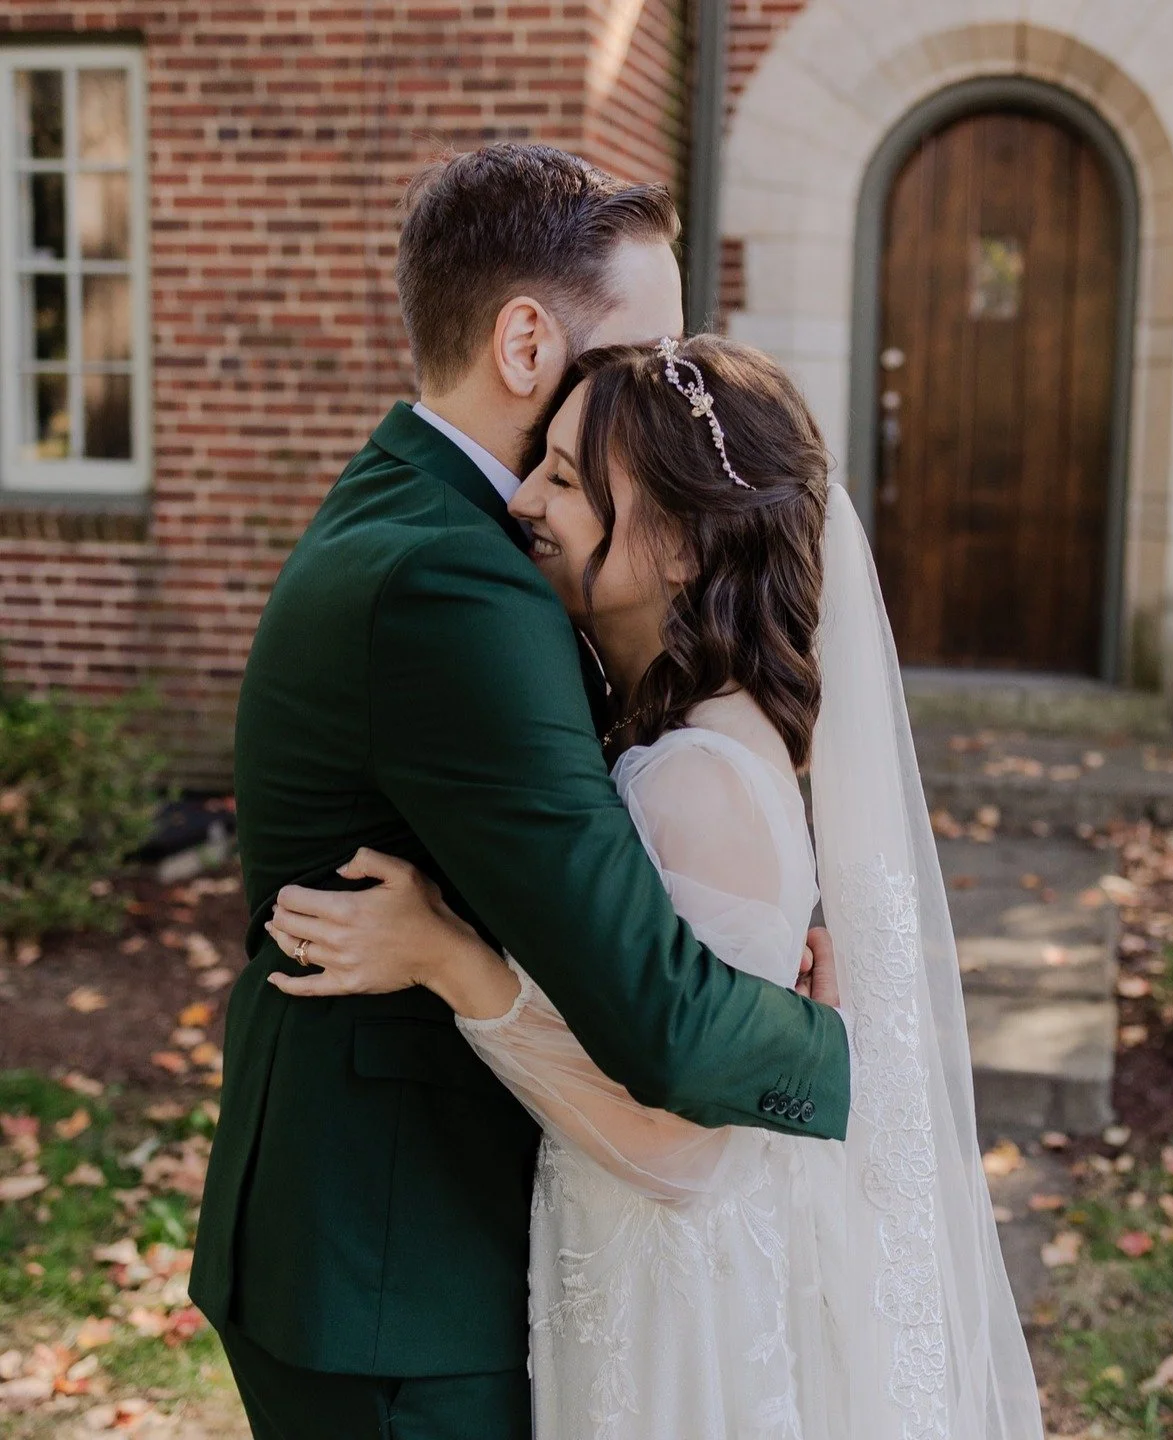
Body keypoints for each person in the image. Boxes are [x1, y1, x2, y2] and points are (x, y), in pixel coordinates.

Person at [268, 335, 1045, 1439]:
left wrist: (445, 956)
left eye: (571, 481)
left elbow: (686, 1150)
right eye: (542, 461)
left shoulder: (696, 778)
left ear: (682, 547)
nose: (524, 499)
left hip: (679, 1312)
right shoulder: (670, 730)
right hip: (629, 1267)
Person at [189, 148, 852, 1440]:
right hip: (396, 1270)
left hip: (389, 1240)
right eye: (647, 347)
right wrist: (833, 1052)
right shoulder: (459, 582)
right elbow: (655, 1011)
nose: (675, 379)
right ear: (527, 340)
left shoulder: (416, 507)